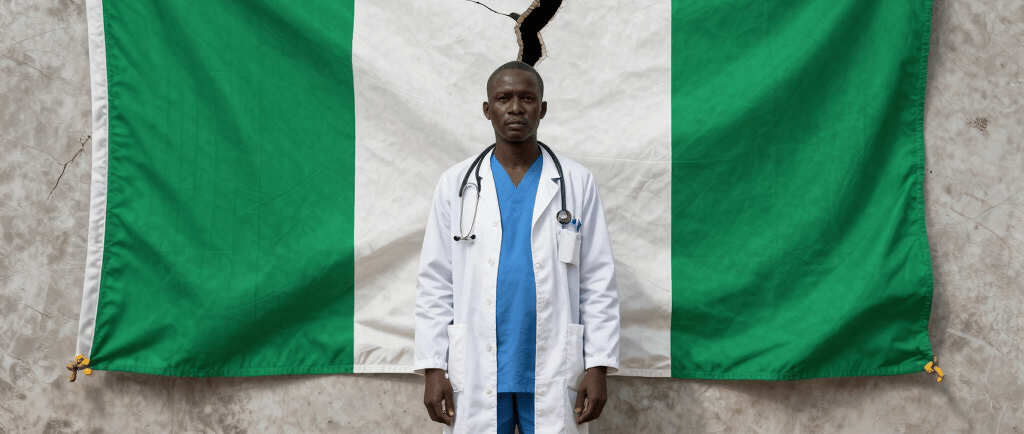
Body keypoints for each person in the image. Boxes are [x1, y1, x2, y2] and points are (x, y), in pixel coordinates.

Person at [414, 61, 620, 434]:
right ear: (487, 109)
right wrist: (433, 367)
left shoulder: (577, 182)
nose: (515, 108)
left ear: (542, 108)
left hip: (553, 364)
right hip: (476, 366)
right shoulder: (455, 184)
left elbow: (597, 280)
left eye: (527, 98)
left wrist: (598, 365)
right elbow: (435, 283)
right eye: (503, 98)